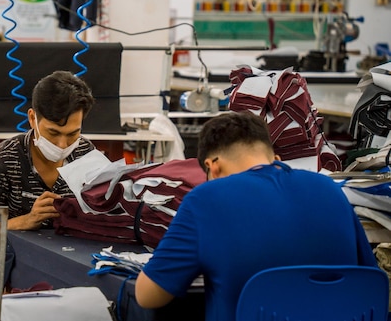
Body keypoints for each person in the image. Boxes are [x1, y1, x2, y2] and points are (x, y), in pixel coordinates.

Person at [135, 112, 377, 321]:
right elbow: (367, 279)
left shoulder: (205, 199)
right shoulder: (330, 189)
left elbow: (148, 296)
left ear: (213, 167)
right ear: (276, 160)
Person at [0, 70, 96, 292]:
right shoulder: (3, 160)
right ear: (33, 118)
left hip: (70, 269)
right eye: (53, 133)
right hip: (14, 277)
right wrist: (24, 222)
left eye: (73, 134)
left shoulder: (85, 154)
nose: (63, 145)